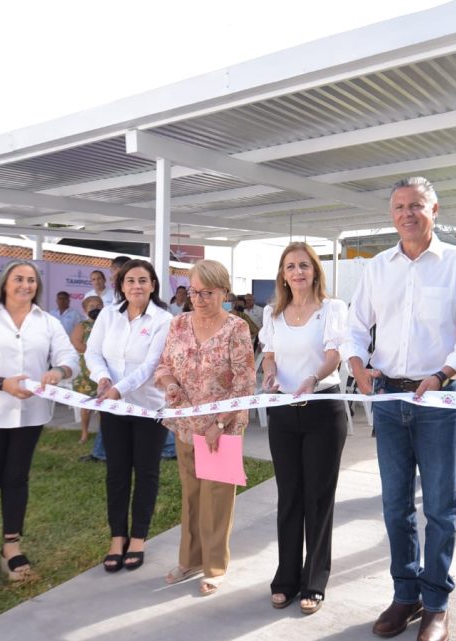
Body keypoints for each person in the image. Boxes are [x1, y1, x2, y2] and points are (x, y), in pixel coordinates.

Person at [343, 177, 456, 641]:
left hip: (439, 400)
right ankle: (404, 596)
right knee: (394, 507)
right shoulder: (377, 268)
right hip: (388, 398)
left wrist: (444, 373)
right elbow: (354, 325)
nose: (407, 213)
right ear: (391, 214)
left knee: (441, 509)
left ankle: (437, 603)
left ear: (435, 210)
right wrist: (356, 365)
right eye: (399, 206)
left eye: (417, 206)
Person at [0, 259, 79, 593]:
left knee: (16, 480)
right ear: (5, 284)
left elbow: (70, 358)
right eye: (19, 279)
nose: (26, 285)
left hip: (31, 415)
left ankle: (12, 546)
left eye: (32, 280)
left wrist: (59, 372)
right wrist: (1, 383)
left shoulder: (48, 322)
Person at [259, 242, 349, 615]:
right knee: (289, 497)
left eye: (304, 266)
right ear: (283, 274)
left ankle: (315, 580)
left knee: (317, 499)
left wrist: (312, 378)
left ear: (315, 271)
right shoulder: (273, 313)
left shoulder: (332, 309)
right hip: (283, 413)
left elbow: (335, 354)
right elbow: (269, 355)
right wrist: (268, 375)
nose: (297, 272)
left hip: (322, 410)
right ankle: (286, 578)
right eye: (290, 266)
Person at [154, 259, 254, 597]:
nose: (198, 298)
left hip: (221, 429)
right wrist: (168, 384)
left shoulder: (236, 328)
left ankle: (215, 566)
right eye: (194, 291)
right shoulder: (178, 324)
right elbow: (164, 365)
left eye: (206, 292)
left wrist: (220, 423)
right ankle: (190, 559)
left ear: (223, 292)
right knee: (192, 494)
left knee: (217, 497)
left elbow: (244, 384)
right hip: (185, 424)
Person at [86, 259, 173, 573]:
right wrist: (102, 379)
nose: (137, 286)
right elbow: (92, 352)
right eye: (131, 280)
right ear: (121, 285)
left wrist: (119, 389)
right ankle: (117, 537)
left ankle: (138, 538)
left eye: (143, 280)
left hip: (149, 408)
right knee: (117, 473)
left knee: (146, 473)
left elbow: (151, 366)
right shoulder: (109, 315)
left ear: (153, 285)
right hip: (114, 409)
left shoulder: (164, 320)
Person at [71, 295, 104, 448]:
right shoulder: (82, 326)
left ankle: (103, 433)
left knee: (106, 404)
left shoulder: (107, 325)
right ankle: (84, 432)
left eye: (99, 305)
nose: (96, 308)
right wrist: (93, 354)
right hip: (86, 372)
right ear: (84, 310)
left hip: (105, 371)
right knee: (86, 405)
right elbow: (76, 343)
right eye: (92, 306)